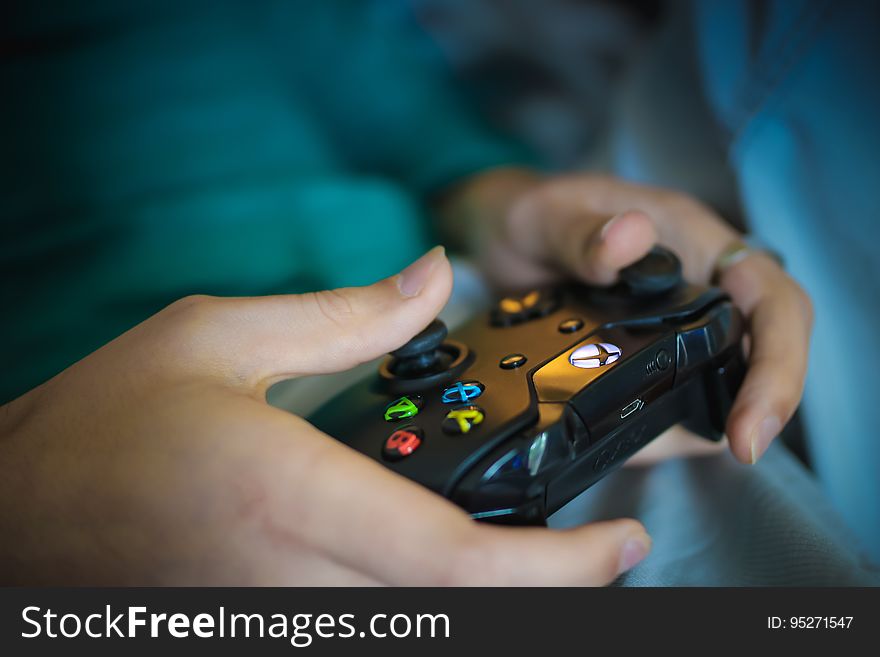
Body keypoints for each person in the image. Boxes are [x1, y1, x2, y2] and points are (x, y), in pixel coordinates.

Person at [1, 1, 817, 584]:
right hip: (101, 451)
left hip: (457, 319)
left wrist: (505, 197)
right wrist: (23, 499)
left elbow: (408, 117)